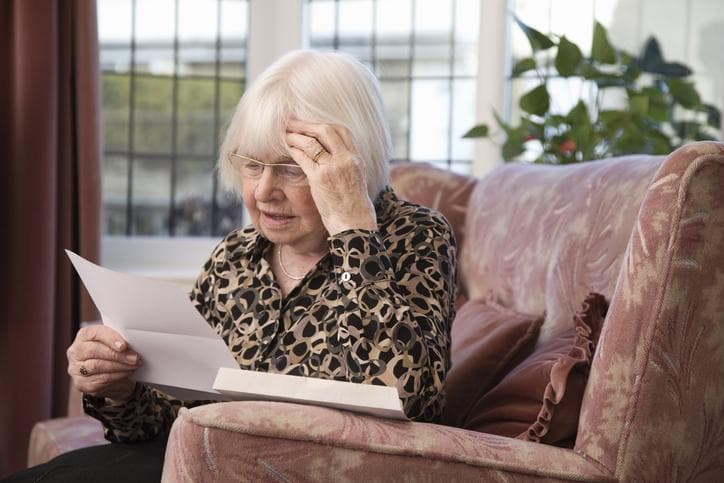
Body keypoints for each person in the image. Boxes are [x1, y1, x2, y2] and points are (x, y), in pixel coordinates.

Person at [6, 50, 456, 481]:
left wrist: (352, 228)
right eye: (252, 165)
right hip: (205, 462)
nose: (263, 192)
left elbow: (407, 393)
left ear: (346, 167)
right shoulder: (236, 256)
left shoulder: (414, 236)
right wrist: (118, 387)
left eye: (292, 168)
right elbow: (164, 422)